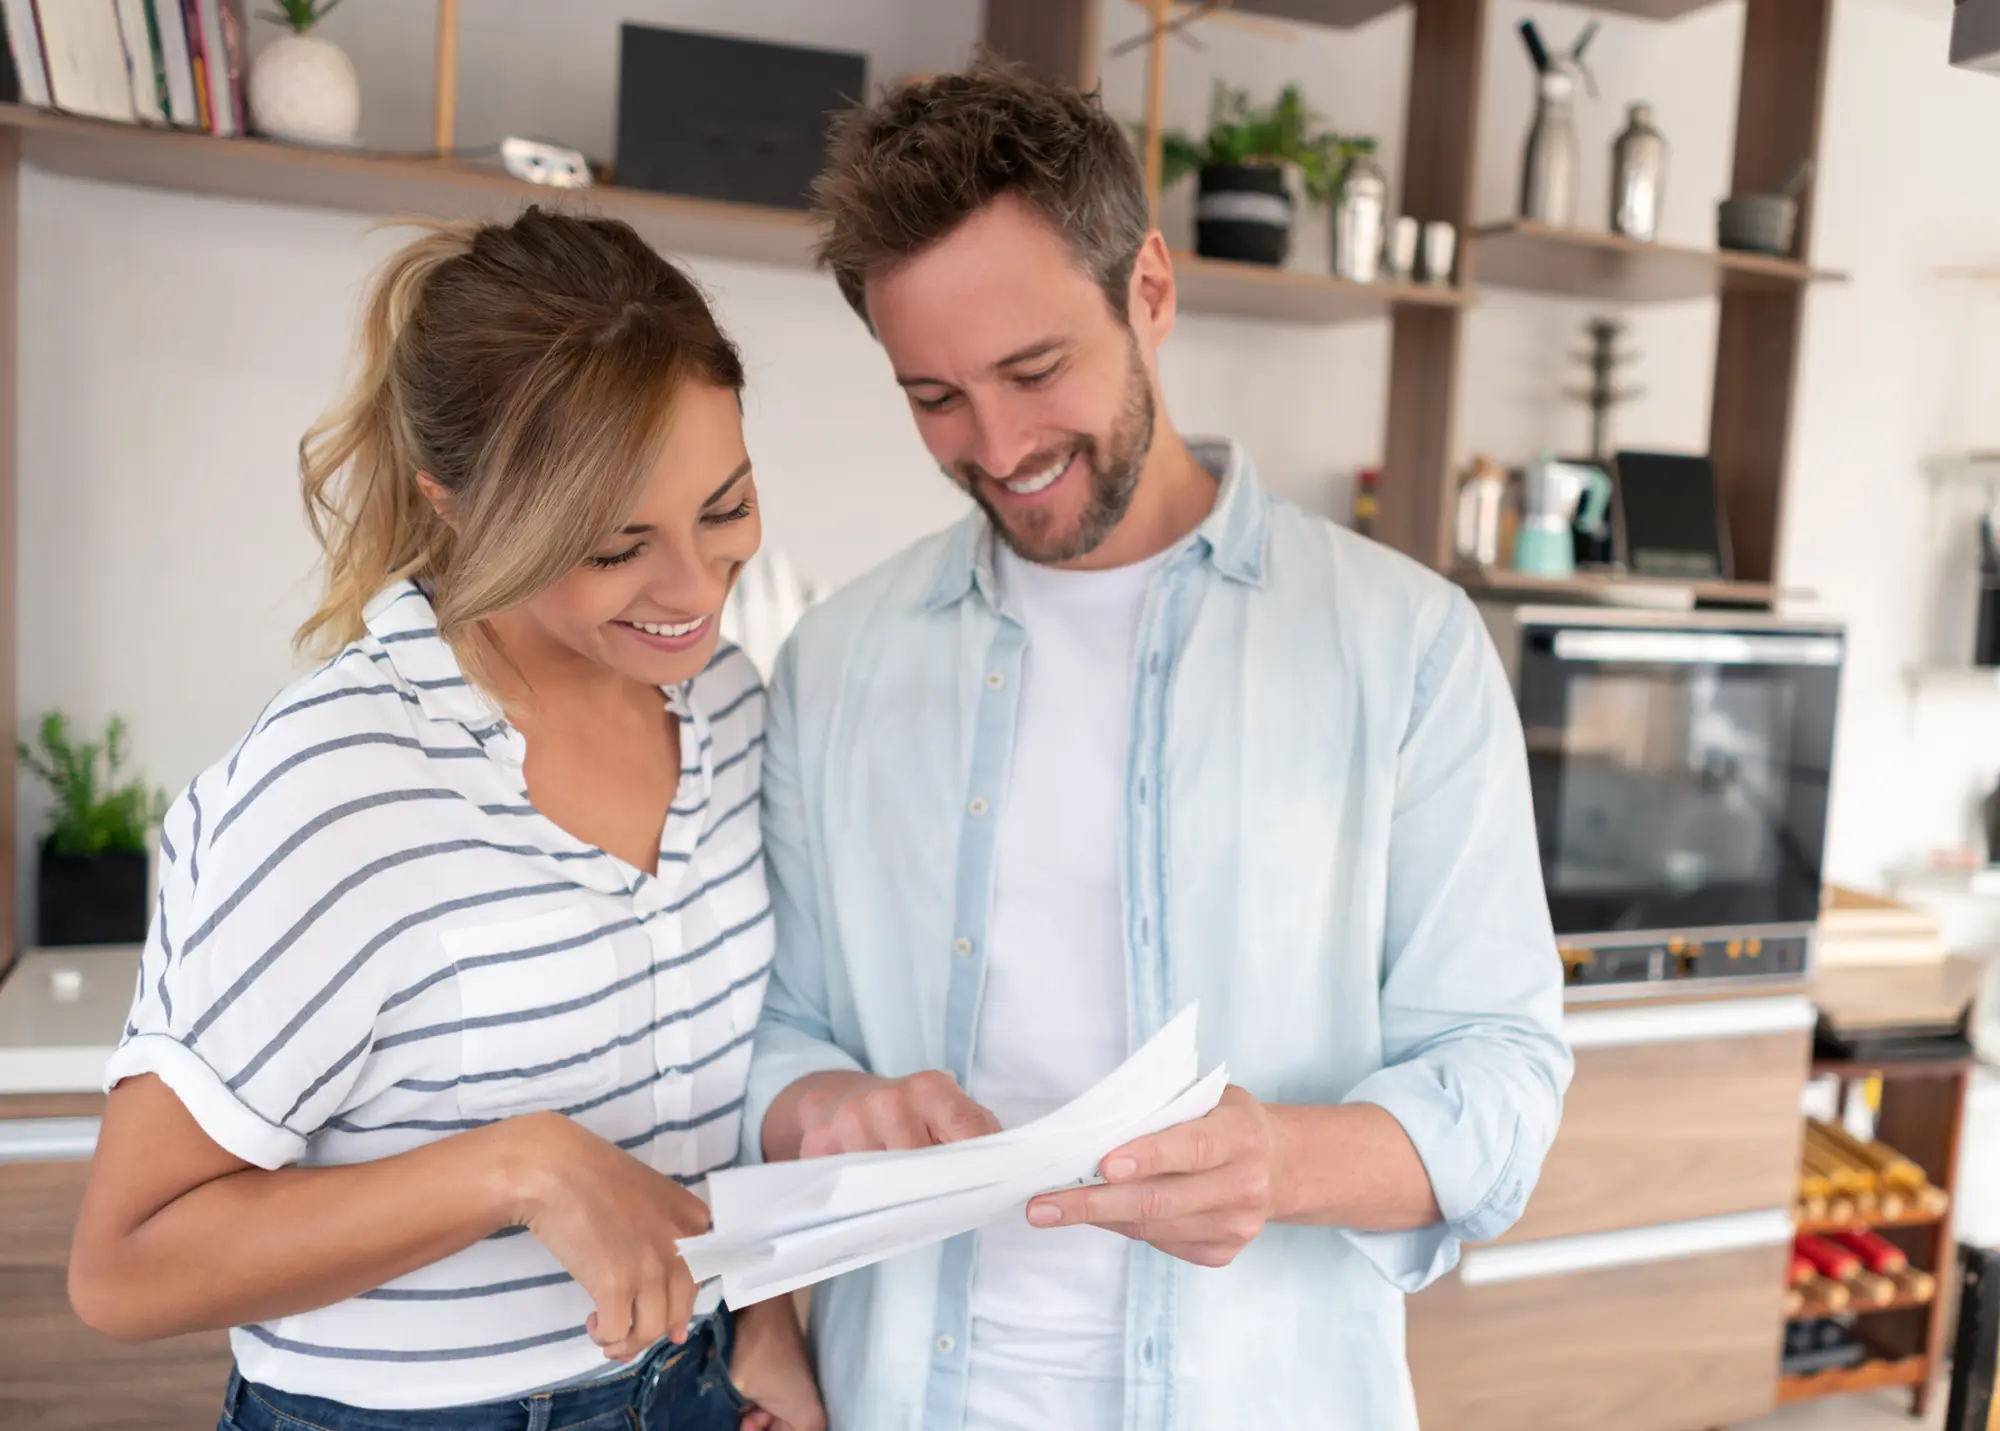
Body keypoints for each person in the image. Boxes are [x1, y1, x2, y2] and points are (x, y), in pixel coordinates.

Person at [743, 66, 1573, 1430]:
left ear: (1152, 291)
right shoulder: (836, 663)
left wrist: (1284, 1159)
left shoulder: (1403, 644)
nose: (997, 445)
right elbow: (779, 1036)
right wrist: (823, 1105)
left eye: (1034, 369)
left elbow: (1504, 1074)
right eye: (934, 395)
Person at [67, 209, 823, 1431]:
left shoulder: (727, 708)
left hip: (690, 1384)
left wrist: (764, 1330)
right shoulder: (341, 781)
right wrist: (512, 1169)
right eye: (616, 544)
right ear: (459, 507)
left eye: (724, 509)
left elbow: (712, 1091)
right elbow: (124, 1266)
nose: (693, 589)